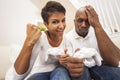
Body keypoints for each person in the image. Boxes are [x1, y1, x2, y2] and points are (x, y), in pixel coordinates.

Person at [5, 1, 71, 80]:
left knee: (60, 71)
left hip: (59, 72)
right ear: (46, 24)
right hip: (40, 73)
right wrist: (29, 42)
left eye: (63, 20)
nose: (61, 26)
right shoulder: (40, 38)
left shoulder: (66, 38)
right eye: (55, 22)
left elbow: (70, 67)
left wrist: (66, 62)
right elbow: (17, 77)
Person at [65, 5, 120, 80]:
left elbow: (115, 61)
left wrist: (97, 26)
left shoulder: (98, 31)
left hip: (99, 64)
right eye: (80, 20)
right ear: (74, 21)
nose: (84, 25)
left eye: (87, 21)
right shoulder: (67, 38)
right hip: (81, 66)